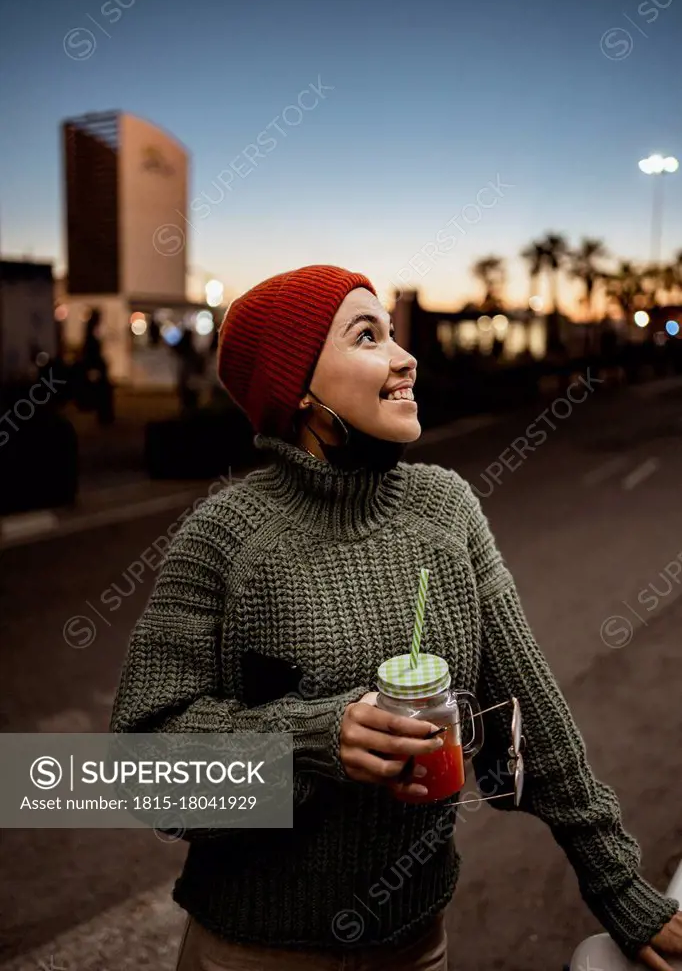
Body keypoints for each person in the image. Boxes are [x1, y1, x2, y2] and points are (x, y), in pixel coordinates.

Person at [109, 265, 682, 971]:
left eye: (392, 332)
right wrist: (316, 738)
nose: (405, 356)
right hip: (250, 953)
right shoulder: (220, 540)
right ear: (300, 392)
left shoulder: (447, 509)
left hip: (417, 947)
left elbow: (530, 712)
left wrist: (620, 886)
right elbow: (139, 767)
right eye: (367, 336)